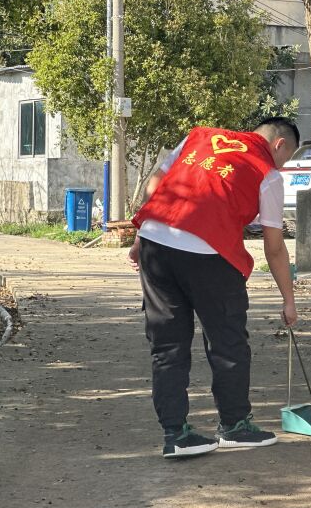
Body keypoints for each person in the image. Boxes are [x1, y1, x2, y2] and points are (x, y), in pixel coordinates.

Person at [128, 117, 300, 458]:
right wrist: (289, 300)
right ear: (279, 144)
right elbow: (275, 246)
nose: (283, 164)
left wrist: (141, 236)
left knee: (167, 344)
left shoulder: (198, 136)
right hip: (210, 254)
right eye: (287, 157)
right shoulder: (267, 172)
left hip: (156, 244)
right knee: (227, 340)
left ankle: (175, 434)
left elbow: (157, 184)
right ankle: (235, 425)